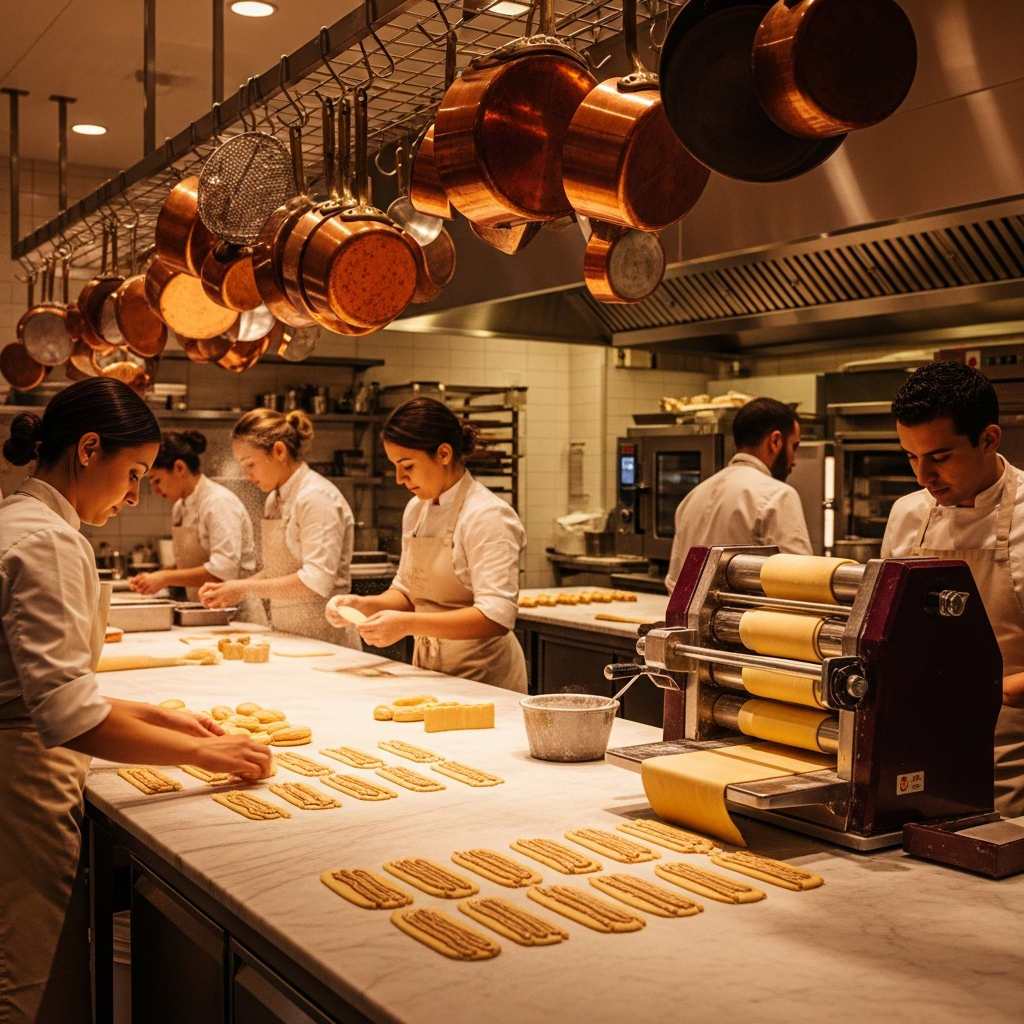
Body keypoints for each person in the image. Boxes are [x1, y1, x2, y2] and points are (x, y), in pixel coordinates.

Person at [0, 378, 271, 1024]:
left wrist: (163, 718)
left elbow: (55, 685)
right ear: (88, 449)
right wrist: (206, 752)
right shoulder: (47, 541)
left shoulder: (21, 517)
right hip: (19, 790)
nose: (131, 496)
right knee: (28, 992)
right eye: (131, 474)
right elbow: (68, 716)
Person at [881, 360, 1024, 816]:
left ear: (988, 439)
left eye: (939, 457)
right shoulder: (906, 514)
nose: (923, 476)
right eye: (911, 456)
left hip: (1011, 759)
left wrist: (991, 688)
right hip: (917, 749)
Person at [326, 396, 528, 692]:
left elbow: (496, 617)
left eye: (407, 465)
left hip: (484, 678)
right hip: (430, 671)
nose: (399, 478)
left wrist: (407, 624)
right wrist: (365, 605)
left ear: (444, 453)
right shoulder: (417, 510)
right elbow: (409, 591)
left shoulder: (487, 516)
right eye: (395, 466)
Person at [199, 409, 358, 646]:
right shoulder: (274, 499)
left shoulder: (316, 498)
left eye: (250, 464)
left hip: (326, 638)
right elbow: (277, 571)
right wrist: (232, 589)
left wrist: (243, 589)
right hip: (287, 634)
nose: (245, 474)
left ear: (279, 451)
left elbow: (316, 581)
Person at [665, 397, 812, 594]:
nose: (793, 460)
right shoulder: (779, 496)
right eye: (794, 447)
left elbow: (675, 585)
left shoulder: (691, 498)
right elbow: (802, 584)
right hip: (751, 624)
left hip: (693, 625)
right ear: (775, 441)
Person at [128, 430, 260, 619]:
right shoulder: (180, 507)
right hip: (203, 611)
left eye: (156, 481)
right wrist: (155, 577)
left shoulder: (218, 502)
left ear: (179, 467)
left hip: (237, 615)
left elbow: (221, 572)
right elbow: (190, 564)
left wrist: (163, 579)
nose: (155, 491)